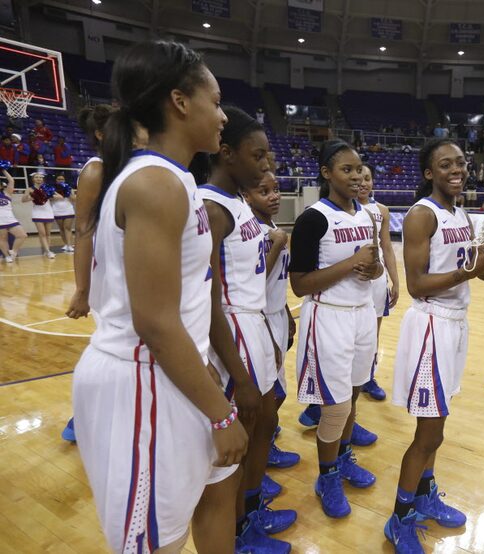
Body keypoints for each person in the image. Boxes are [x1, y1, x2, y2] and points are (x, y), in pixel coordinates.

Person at [71, 40, 250, 553]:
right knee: (154, 545)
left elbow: (185, 300)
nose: (222, 116)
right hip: (140, 382)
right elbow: (154, 322)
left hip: (167, 375)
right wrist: (221, 412)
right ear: (179, 102)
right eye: (214, 102)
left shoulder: (175, 180)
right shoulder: (155, 184)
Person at [384, 138, 484, 553]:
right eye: (445, 165)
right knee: (427, 433)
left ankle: (425, 493)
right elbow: (417, 285)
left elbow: (478, 271)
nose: (456, 170)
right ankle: (399, 518)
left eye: (460, 163)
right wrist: (470, 270)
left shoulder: (462, 214)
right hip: (431, 327)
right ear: (428, 173)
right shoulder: (422, 215)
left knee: (436, 429)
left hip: (457, 325)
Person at [193, 106, 296, 553]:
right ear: (226, 152)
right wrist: (239, 372)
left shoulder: (237, 201)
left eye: (268, 156)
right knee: (241, 433)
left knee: (264, 423)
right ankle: (236, 532)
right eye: (258, 156)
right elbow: (209, 300)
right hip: (232, 331)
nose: (267, 165)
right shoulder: (211, 208)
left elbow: (253, 274)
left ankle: (249, 513)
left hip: (255, 324)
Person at [288, 139, 382, 518]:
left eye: (359, 168)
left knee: (354, 395)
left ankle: (342, 458)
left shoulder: (367, 215)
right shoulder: (313, 218)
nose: (357, 175)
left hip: (361, 313)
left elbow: (371, 264)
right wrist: (352, 263)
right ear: (327, 174)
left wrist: (373, 270)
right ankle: (326, 477)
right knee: (335, 405)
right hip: (328, 316)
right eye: (347, 169)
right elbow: (300, 284)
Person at [241, 171, 302, 476]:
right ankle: (255, 461)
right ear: (247, 196)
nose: (274, 195)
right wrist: (277, 245)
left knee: (276, 392)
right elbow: (253, 285)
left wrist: (287, 313)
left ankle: (263, 448)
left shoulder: (272, 226)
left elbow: (276, 284)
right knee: (270, 395)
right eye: (264, 191)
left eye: (276, 189)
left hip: (275, 315)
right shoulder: (255, 232)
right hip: (258, 321)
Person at [64, 103, 117, 444]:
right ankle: (80, 417)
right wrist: (81, 289)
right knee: (113, 346)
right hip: (106, 272)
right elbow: (83, 230)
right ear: (100, 133)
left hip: (127, 266)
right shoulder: (96, 170)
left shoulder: (127, 166)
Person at [357, 163, 400, 400]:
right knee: (354, 331)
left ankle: (368, 377)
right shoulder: (345, 210)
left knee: (373, 332)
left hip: (378, 280)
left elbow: (388, 248)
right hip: (355, 278)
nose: (363, 182)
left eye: (368, 178)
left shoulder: (381, 210)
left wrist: (395, 281)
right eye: (360, 178)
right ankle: (350, 376)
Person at [21, 171, 56, 258]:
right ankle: (48, 251)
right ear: (33, 179)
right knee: (42, 233)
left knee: (48, 233)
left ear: (43, 179)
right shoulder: (30, 189)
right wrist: (33, 197)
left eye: (40, 177)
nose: (39, 179)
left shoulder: (47, 188)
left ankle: (46, 250)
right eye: (37, 177)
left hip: (48, 212)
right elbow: (23, 200)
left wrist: (48, 195)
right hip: (38, 212)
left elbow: (59, 196)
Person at [0, 165, 25, 262]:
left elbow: (11, 181)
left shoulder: (6, 193)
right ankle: (7, 256)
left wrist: (3, 170)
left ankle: (13, 251)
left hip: (10, 218)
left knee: (22, 235)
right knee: (3, 239)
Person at [50, 174, 75, 252]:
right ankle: (66, 244)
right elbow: (50, 199)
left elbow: (73, 199)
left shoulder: (69, 188)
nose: (60, 180)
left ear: (64, 180)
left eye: (62, 179)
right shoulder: (51, 189)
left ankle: (70, 245)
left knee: (67, 228)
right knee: (61, 229)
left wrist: (68, 192)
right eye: (59, 179)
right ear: (56, 180)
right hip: (57, 210)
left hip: (68, 209)